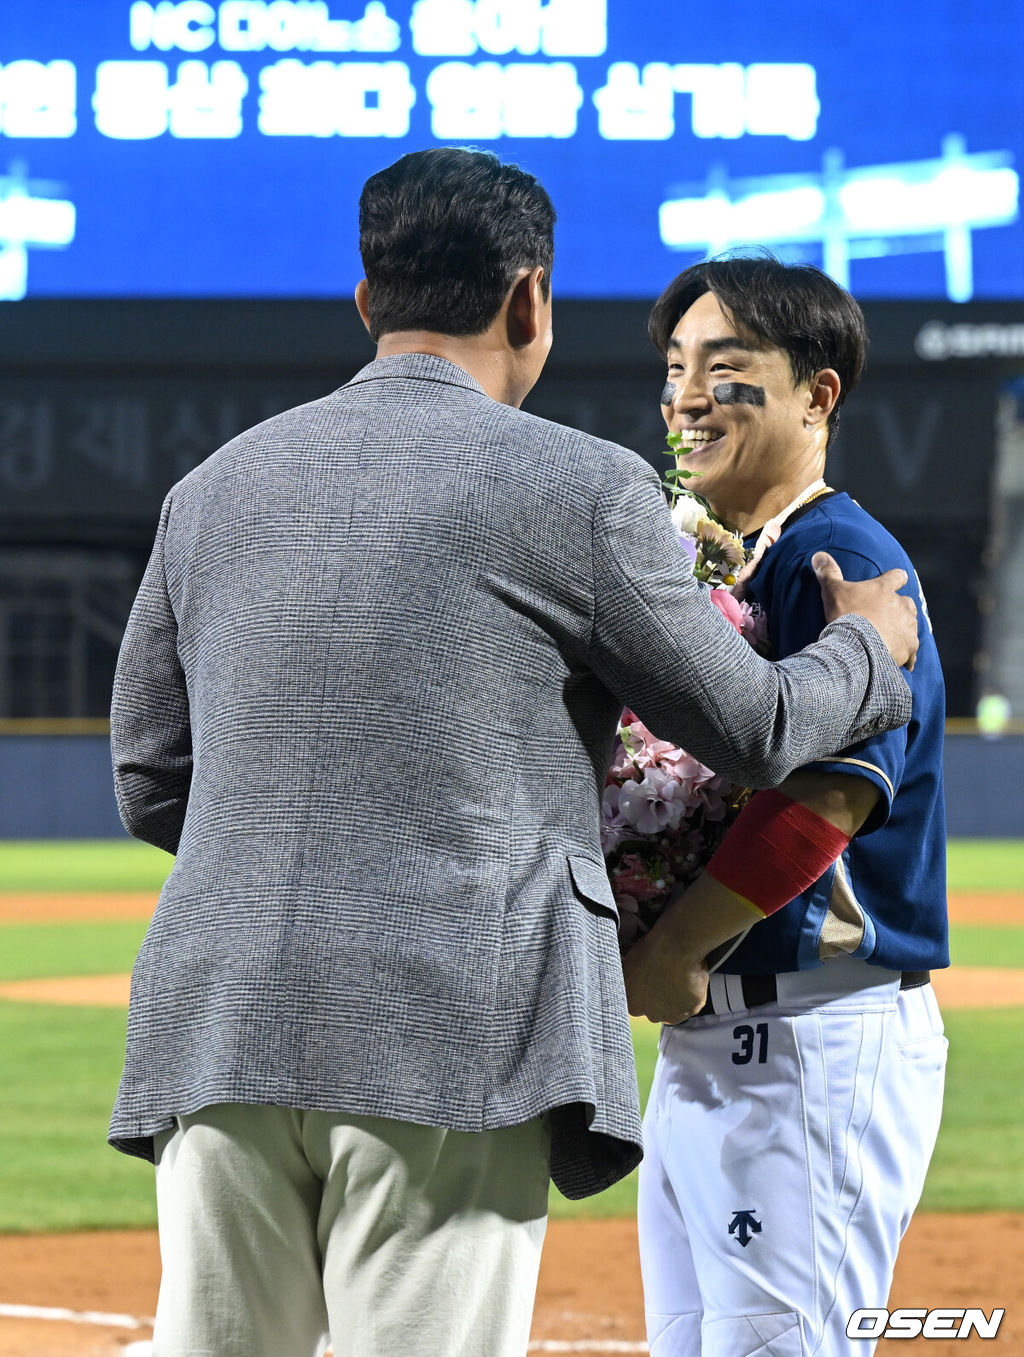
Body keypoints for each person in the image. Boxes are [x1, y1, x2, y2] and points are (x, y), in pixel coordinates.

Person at [108, 152, 918, 1357]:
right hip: (455, 1024)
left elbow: (150, 777)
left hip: (217, 1015)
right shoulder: (581, 487)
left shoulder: (212, 488)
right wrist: (865, 647)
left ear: (366, 296)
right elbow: (750, 726)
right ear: (529, 299)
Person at [625, 255, 948, 1357]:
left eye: (726, 367)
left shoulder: (838, 556)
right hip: (721, 1038)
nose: (687, 395)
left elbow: (831, 792)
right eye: (675, 368)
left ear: (818, 394)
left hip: (809, 1032)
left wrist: (675, 942)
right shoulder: (718, 556)